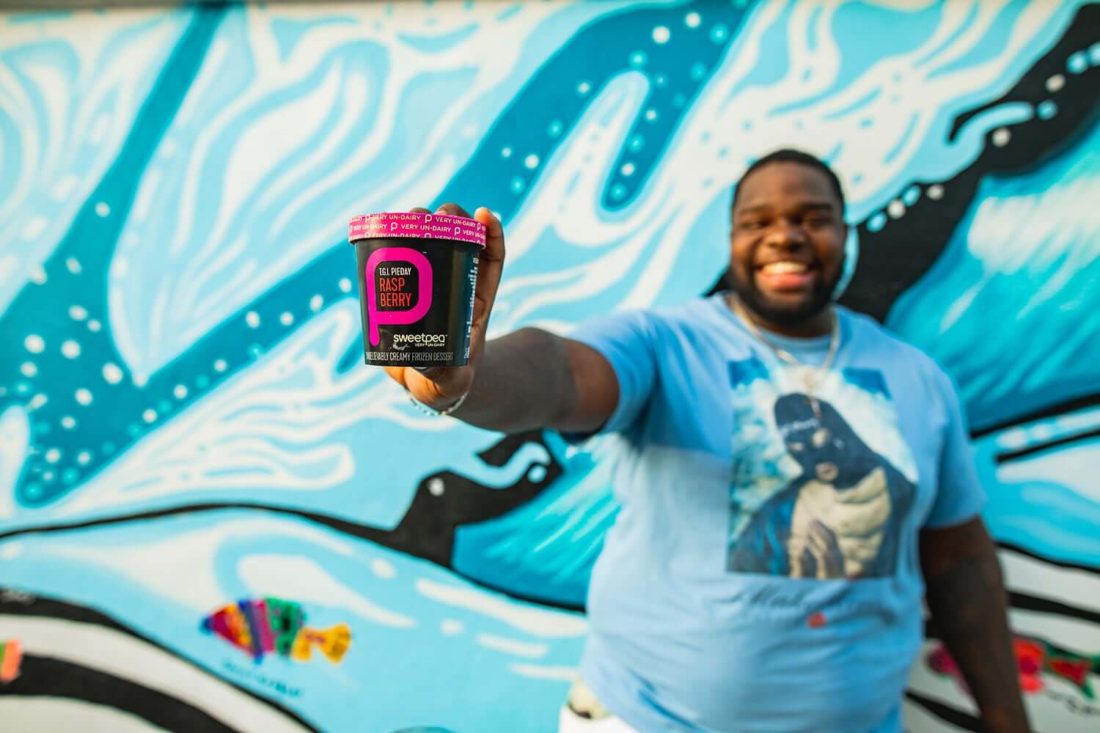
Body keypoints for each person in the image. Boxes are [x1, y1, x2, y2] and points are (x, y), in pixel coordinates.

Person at [384, 149, 1029, 732]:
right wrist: (465, 379)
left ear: (843, 233)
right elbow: (560, 373)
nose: (786, 234)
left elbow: (958, 560)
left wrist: (1008, 720)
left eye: (814, 217)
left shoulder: (916, 377)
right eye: (759, 221)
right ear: (732, 238)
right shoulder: (666, 344)